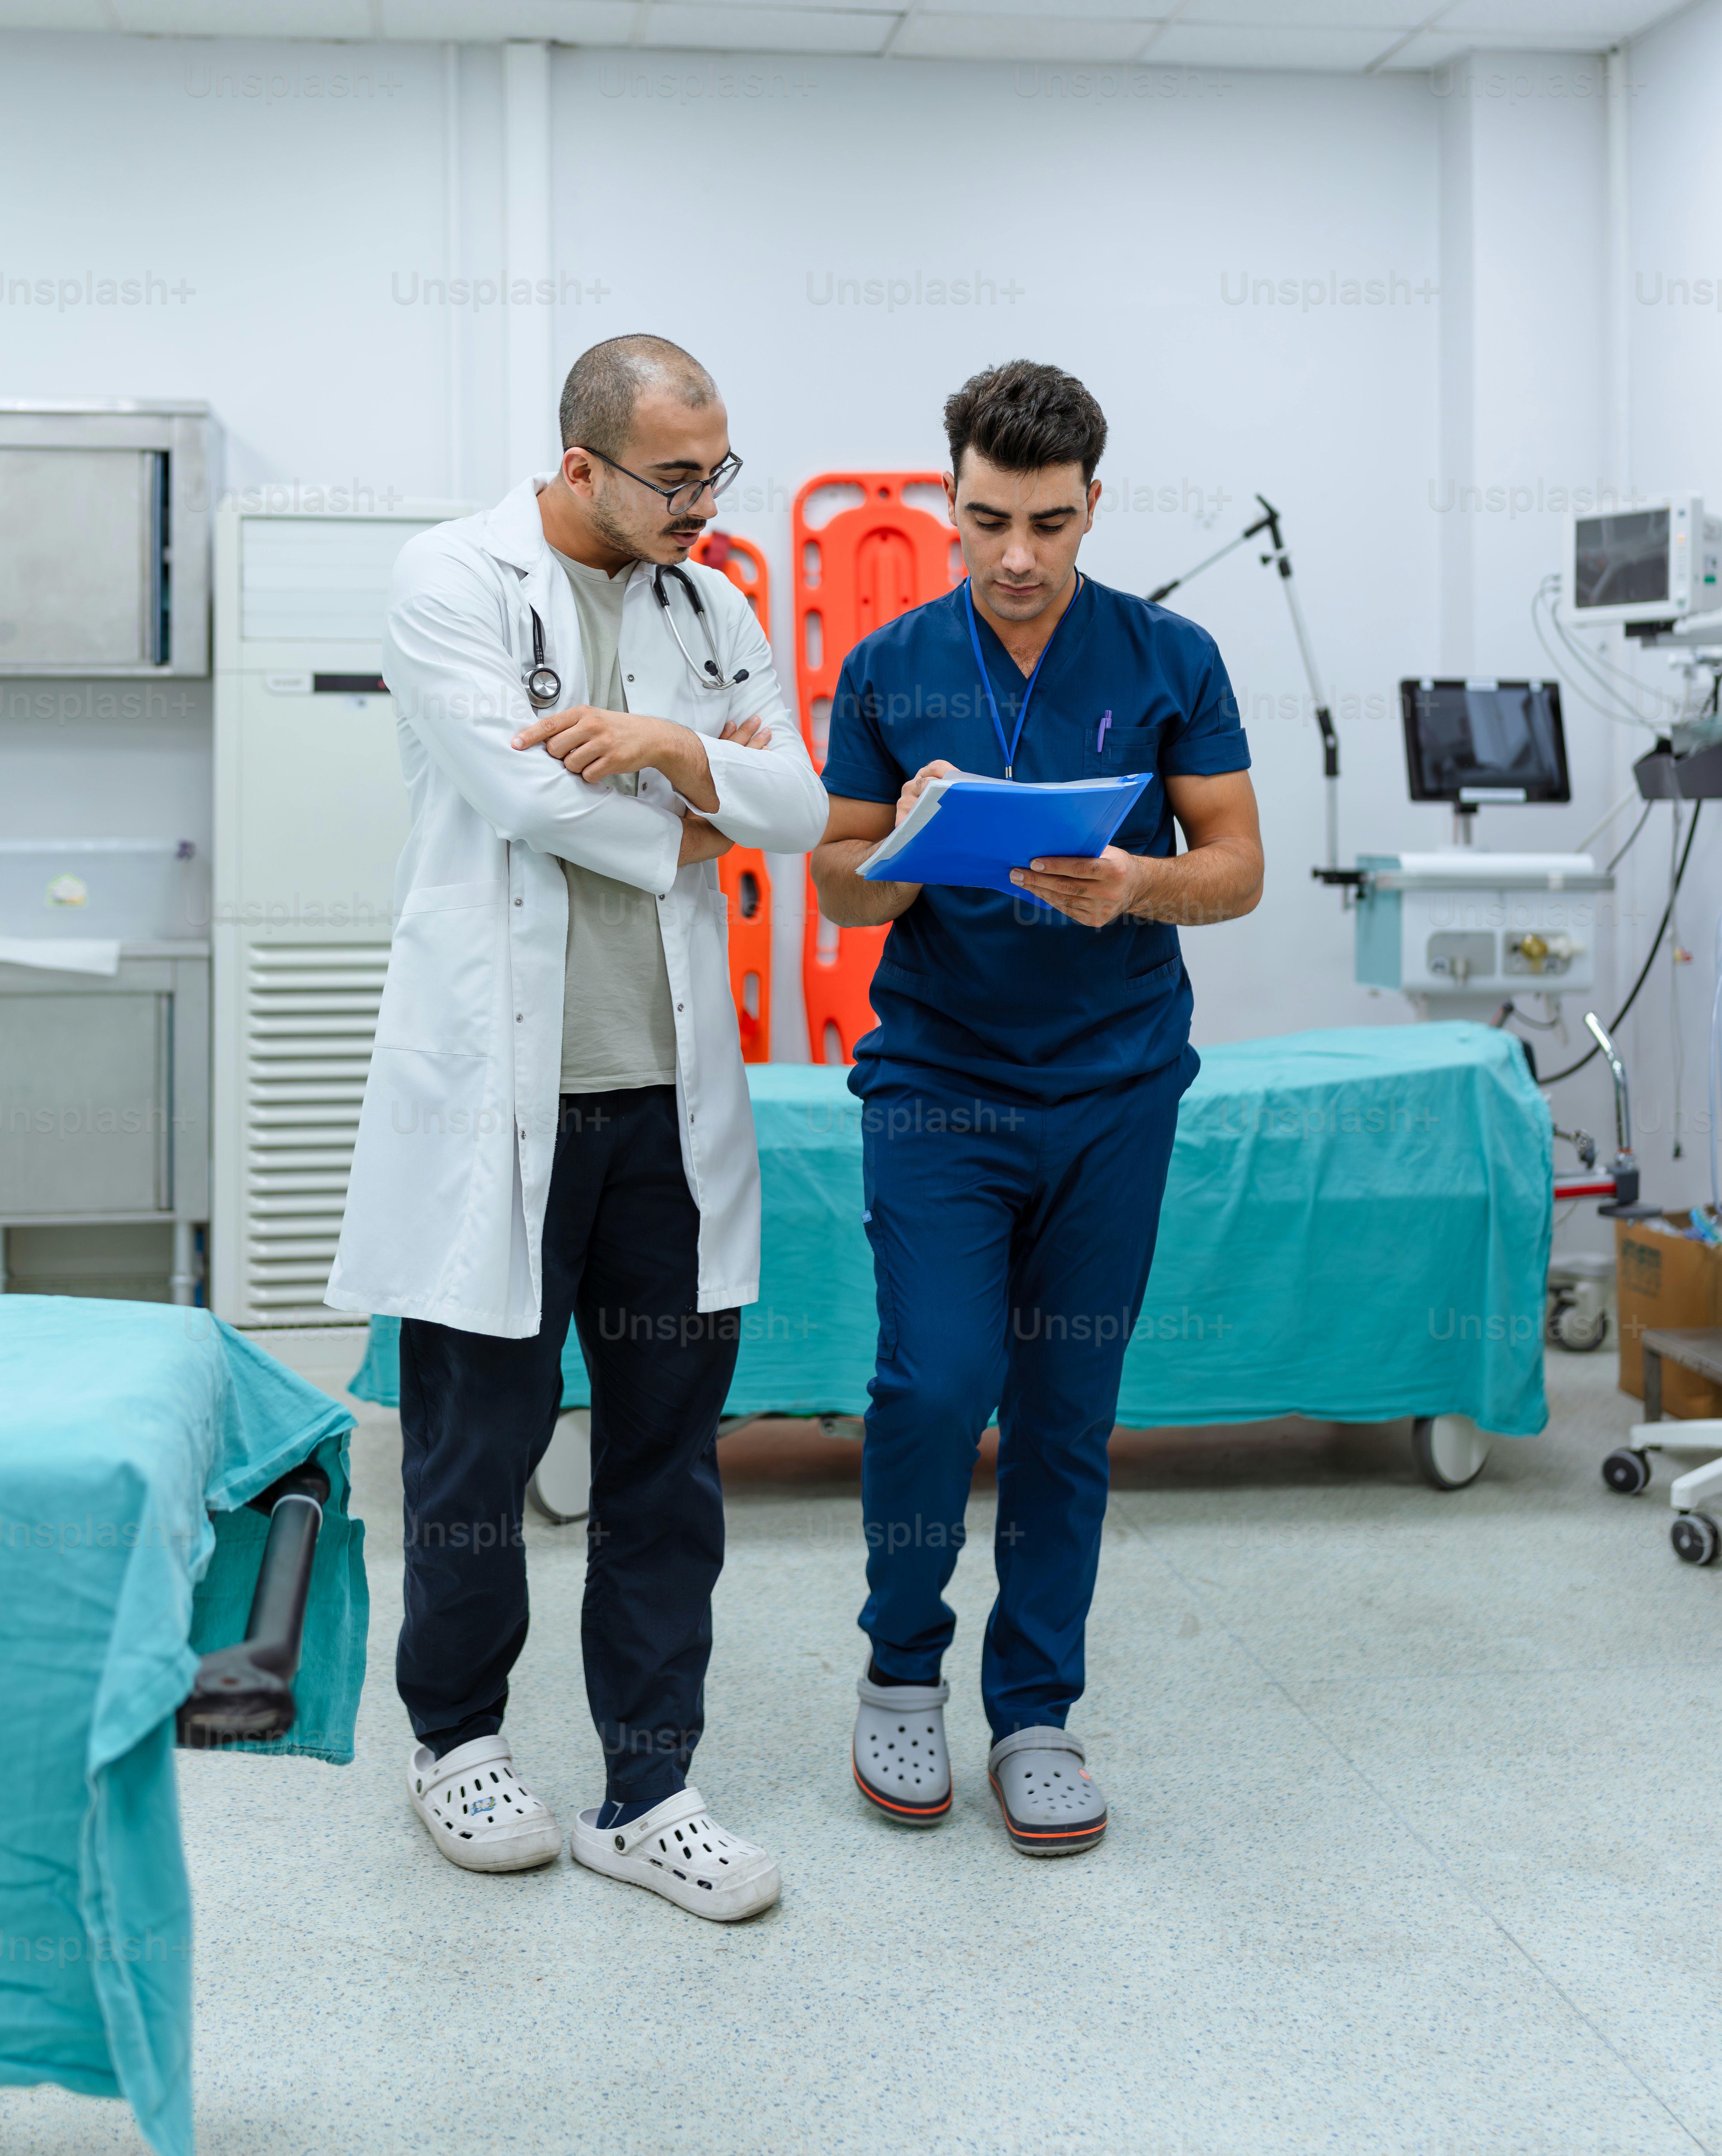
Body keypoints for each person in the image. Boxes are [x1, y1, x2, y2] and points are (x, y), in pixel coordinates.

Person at [327, 333, 826, 1922]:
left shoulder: (713, 601)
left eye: (716, 471)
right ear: (580, 460)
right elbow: (529, 798)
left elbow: (805, 811)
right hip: (499, 1111)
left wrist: (686, 756)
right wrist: (708, 818)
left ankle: (648, 1788)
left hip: (667, 1120)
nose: (703, 501)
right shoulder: (449, 580)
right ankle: (455, 1743)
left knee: (668, 1466)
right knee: (477, 1452)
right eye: (676, 477)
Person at [810, 359, 1262, 1857]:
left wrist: (1139, 883)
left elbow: (1239, 866)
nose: (1015, 555)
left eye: (1048, 524)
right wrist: (919, 837)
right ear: (951, 495)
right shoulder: (889, 667)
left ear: (1091, 510)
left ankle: (1037, 1711)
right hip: (941, 1085)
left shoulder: (1170, 655)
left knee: (1069, 1412)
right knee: (937, 1385)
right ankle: (897, 1670)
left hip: (1118, 1087)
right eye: (988, 518)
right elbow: (839, 887)